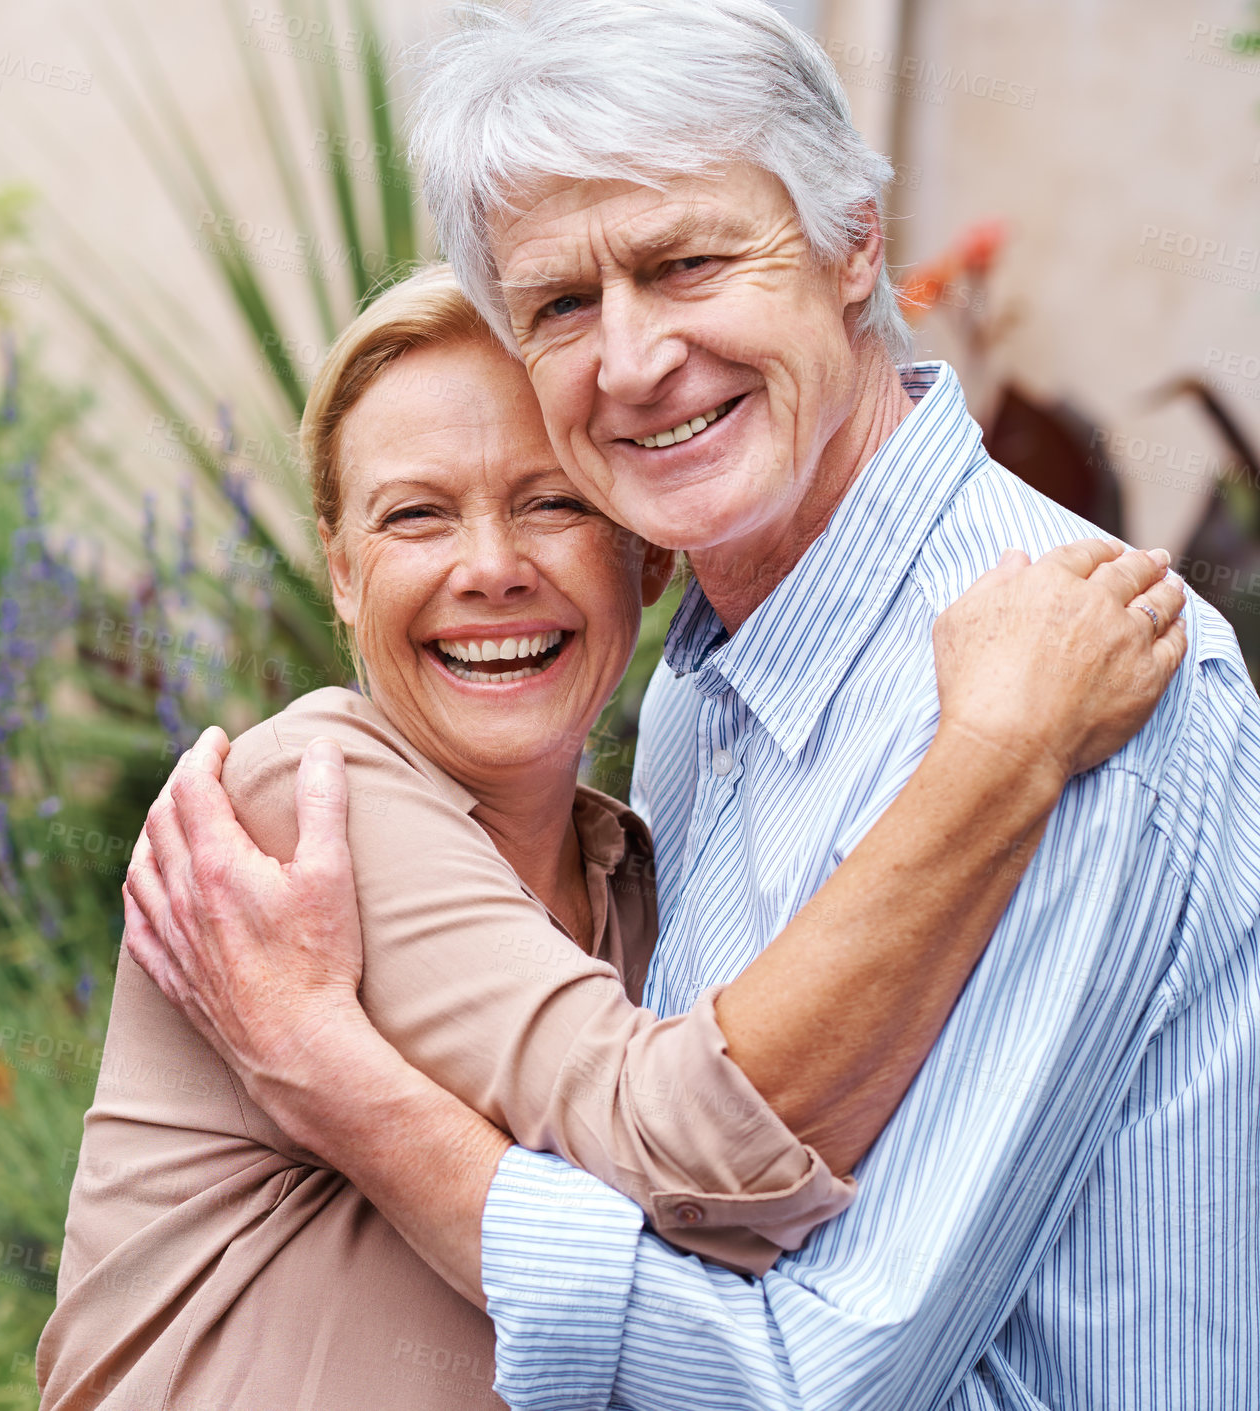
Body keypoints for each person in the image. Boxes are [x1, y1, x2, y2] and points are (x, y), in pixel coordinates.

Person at [127, 1, 1260, 1407]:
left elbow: (806, 1381)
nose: (635, 358)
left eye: (689, 261)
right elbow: (678, 1182)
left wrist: (330, 1077)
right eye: (558, 305)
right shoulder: (699, 681)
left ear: (854, 243)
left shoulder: (1085, 686)